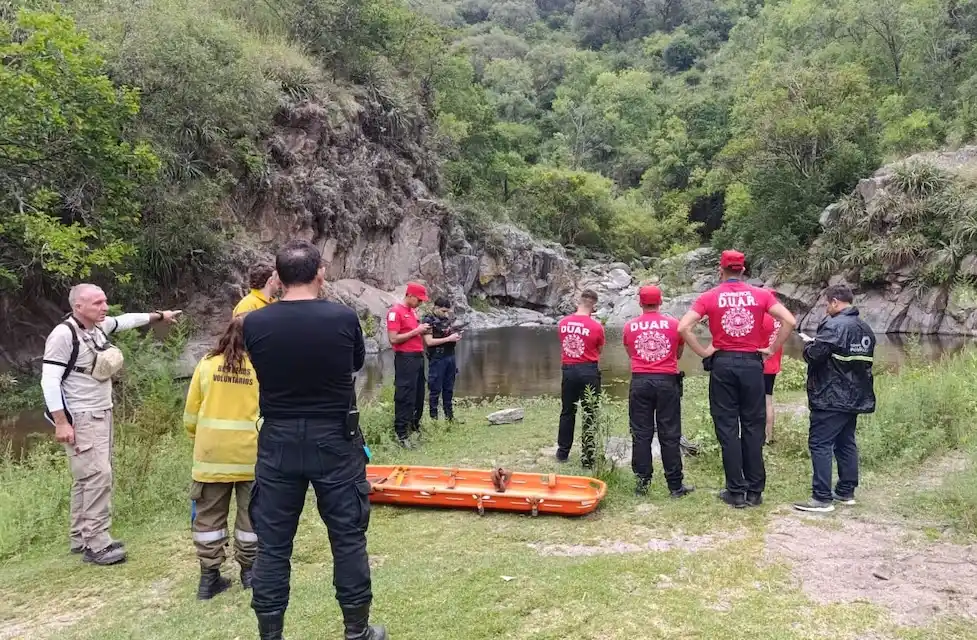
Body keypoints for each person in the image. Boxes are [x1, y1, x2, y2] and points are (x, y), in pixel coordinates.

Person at [243, 240, 385, 640]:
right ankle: (356, 630)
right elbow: (355, 363)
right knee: (347, 538)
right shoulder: (343, 318)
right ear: (320, 273)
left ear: (277, 277)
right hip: (335, 439)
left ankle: (271, 634)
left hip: (278, 440)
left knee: (273, 545)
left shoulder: (254, 322)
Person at [40, 284, 181, 565]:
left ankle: (81, 537)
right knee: (97, 476)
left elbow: (126, 320)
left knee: (87, 476)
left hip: (101, 412)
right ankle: (97, 544)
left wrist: (159, 315)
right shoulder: (64, 335)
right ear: (78, 306)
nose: (104, 307)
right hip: (82, 415)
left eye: (104, 301)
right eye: (97, 303)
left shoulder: (97, 327)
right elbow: (50, 381)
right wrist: (61, 422)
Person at [677, 250, 796, 509]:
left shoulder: (710, 296)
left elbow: (683, 327)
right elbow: (789, 320)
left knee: (728, 428)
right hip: (752, 364)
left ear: (720, 271)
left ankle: (736, 491)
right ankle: (755, 491)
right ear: (743, 270)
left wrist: (704, 352)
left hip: (723, 364)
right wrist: (772, 348)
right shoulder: (761, 295)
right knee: (754, 426)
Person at [183, 315, 259, 600]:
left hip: (210, 457)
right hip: (250, 455)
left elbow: (191, 414)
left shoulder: (206, 364)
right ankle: (249, 573)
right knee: (252, 516)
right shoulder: (260, 367)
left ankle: (209, 578)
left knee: (208, 519)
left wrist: (200, 438)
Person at [794, 284, 876, 513]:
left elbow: (815, 356)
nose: (825, 308)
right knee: (845, 442)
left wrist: (809, 345)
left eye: (826, 304)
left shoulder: (833, 326)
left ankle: (821, 498)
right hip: (855, 396)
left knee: (820, 443)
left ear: (835, 302)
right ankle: (846, 491)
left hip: (831, 396)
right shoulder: (865, 328)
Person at [622, 286, 695, 498]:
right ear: (660, 301)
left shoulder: (629, 326)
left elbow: (631, 353)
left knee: (640, 433)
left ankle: (642, 484)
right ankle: (675, 486)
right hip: (667, 381)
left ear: (640, 303)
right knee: (670, 433)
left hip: (640, 381)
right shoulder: (674, 325)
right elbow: (678, 353)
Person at [555, 289, 605, 468]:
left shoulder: (563, 323)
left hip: (568, 369)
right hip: (588, 370)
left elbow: (564, 343)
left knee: (567, 411)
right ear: (594, 305)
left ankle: (562, 452)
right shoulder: (596, 327)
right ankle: (588, 457)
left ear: (579, 301)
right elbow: (599, 349)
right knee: (589, 412)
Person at [386, 282, 432, 448]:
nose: (420, 303)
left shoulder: (413, 312)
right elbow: (393, 338)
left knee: (418, 394)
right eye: (419, 300)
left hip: (418, 356)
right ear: (410, 295)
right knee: (405, 394)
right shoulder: (395, 312)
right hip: (405, 358)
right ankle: (401, 433)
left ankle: (414, 427)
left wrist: (424, 330)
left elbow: (415, 334)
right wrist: (416, 331)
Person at [751, 280, 785, 446]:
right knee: (768, 401)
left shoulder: (761, 316)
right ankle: (769, 436)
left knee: (753, 403)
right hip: (773, 364)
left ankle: (756, 436)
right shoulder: (779, 317)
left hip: (758, 363)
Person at [421, 297, 464, 423]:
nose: (445, 314)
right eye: (443, 311)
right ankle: (434, 420)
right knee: (435, 389)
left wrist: (456, 335)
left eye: (447, 311)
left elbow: (447, 333)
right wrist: (449, 339)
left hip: (450, 355)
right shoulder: (428, 320)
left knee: (449, 388)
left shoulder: (446, 319)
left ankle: (449, 418)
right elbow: (429, 341)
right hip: (437, 358)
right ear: (436, 308)